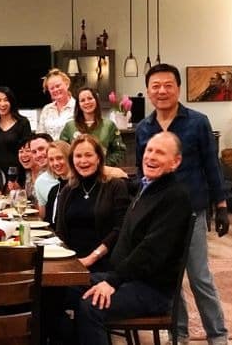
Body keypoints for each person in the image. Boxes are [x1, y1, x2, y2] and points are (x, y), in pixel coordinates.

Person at [135, 63, 229, 345]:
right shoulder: (144, 127)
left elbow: (212, 165)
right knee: (170, 278)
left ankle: (218, 336)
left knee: (199, 277)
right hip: (159, 215)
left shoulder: (197, 122)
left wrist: (221, 205)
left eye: (168, 85)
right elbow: (144, 173)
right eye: (156, 86)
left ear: (177, 88)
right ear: (149, 92)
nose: (162, 91)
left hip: (191, 211)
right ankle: (180, 334)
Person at [75, 132, 193, 345]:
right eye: (149, 150)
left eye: (160, 153)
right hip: (127, 278)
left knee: (91, 307)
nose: (151, 157)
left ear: (176, 162)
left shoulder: (175, 197)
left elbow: (150, 252)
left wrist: (112, 281)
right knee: (59, 290)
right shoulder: (145, 186)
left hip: (152, 290)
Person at [56, 134, 130, 272]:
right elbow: (60, 231)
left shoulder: (115, 186)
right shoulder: (67, 190)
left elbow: (120, 229)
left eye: (88, 155)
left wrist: (91, 258)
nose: (83, 161)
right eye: (78, 156)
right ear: (72, 160)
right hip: (71, 263)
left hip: (105, 263)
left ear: (99, 158)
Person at [60, 87, 126, 166]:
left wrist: (103, 165)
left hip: (103, 173)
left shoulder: (109, 125)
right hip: (77, 173)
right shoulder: (69, 127)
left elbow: (119, 150)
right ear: (78, 105)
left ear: (96, 101)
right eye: (82, 100)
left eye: (90, 98)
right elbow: (62, 151)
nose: (87, 102)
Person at [0, 86, 31, 184]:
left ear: (11, 102)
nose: (2, 104)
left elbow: (27, 152)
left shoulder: (23, 123)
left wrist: (17, 177)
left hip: (18, 175)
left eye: (6, 100)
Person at [38, 68, 76, 140]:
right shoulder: (46, 109)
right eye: (52, 88)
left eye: (58, 86)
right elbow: (40, 136)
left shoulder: (77, 107)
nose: (55, 90)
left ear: (67, 84)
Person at [43, 140, 72, 226]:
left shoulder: (79, 187)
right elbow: (48, 221)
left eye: (59, 158)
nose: (55, 163)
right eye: (51, 160)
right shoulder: (54, 190)